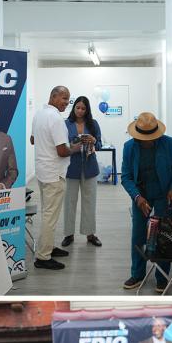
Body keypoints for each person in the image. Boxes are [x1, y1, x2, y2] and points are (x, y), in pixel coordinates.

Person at [30, 85, 93, 271]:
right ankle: (43, 256)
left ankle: (47, 247)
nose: (67, 103)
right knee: (50, 216)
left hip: (42, 171)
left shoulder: (39, 114)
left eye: (68, 99)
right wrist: (78, 145)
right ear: (53, 96)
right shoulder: (56, 118)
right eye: (64, 99)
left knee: (47, 213)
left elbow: (33, 140)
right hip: (54, 174)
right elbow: (62, 151)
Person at [120, 112, 172, 292]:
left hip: (164, 194)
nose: (148, 141)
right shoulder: (129, 147)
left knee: (163, 235)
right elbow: (125, 177)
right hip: (141, 195)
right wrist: (137, 197)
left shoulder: (168, 143)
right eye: (144, 138)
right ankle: (138, 274)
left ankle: (162, 277)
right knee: (139, 235)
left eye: (151, 138)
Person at [61, 95, 103, 248]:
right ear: (73, 108)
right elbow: (61, 146)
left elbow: (99, 146)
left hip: (90, 168)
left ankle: (90, 234)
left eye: (83, 108)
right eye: (77, 107)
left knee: (90, 202)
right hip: (71, 168)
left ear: (87, 110)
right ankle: (68, 234)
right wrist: (73, 145)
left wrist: (93, 141)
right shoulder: (65, 124)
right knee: (69, 202)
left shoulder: (93, 124)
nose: (80, 110)